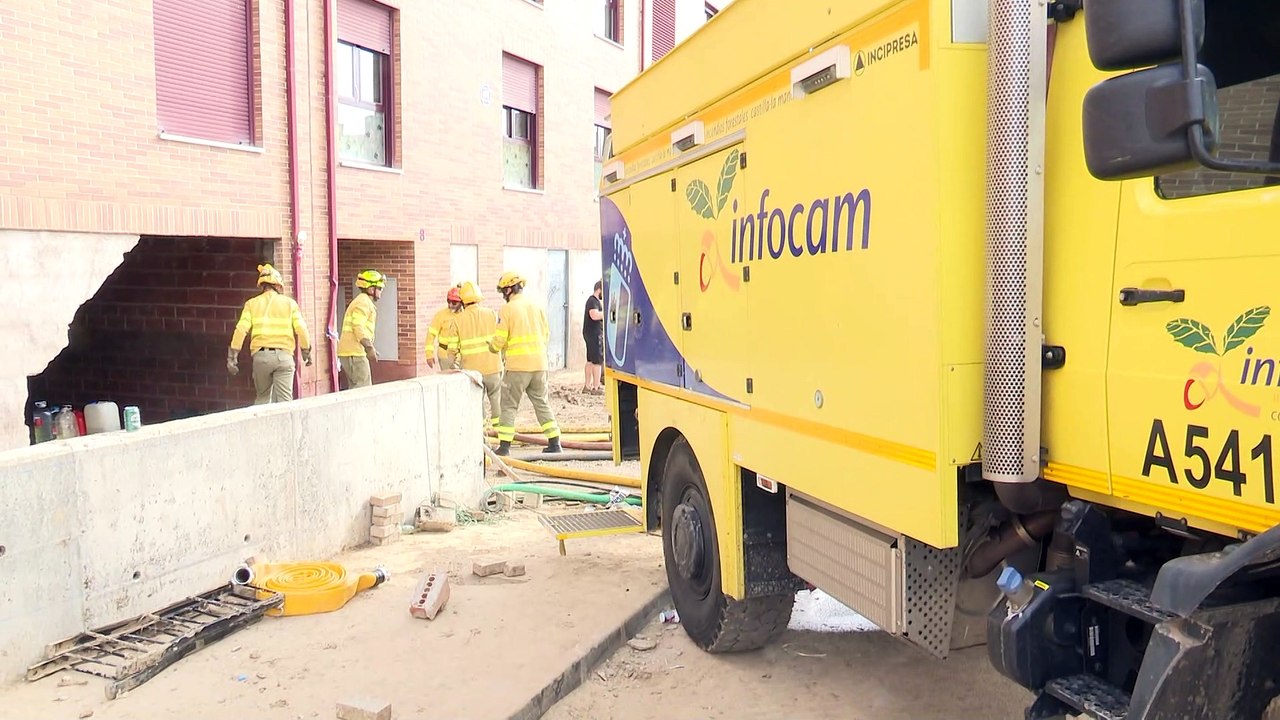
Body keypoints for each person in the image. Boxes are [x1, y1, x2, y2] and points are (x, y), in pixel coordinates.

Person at [489, 271, 562, 455]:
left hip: (517, 368)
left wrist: (492, 348)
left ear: (508, 290)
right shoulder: (536, 306)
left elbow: (500, 339)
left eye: (503, 292)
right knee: (542, 403)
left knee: (509, 405)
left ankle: (504, 447)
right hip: (539, 365)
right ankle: (555, 443)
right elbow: (546, 334)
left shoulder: (507, 309)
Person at [227, 263, 312, 404]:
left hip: (261, 358)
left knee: (263, 398)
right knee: (285, 401)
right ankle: (286, 425)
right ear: (278, 285)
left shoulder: (251, 304)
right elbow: (302, 329)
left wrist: (233, 355)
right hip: (284, 357)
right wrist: (306, 351)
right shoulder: (290, 304)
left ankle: (262, 425)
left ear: (261, 285)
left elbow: (241, 330)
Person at [442, 281, 503, 429]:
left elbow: (451, 350)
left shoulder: (457, 320)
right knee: (496, 401)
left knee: (477, 404)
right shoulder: (492, 314)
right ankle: (501, 436)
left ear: (462, 301)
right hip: (494, 368)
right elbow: (502, 338)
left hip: (472, 373)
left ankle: (480, 437)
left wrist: (450, 366)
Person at [337, 269, 384, 389]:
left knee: (356, 390)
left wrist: (370, 347)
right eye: (379, 288)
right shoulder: (363, 302)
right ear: (371, 289)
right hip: (355, 353)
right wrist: (369, 348)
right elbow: (358, 327)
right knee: (364, 389)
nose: (381, 291)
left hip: (352, 352)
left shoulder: (362, 301)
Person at [425, 284, 463, 368]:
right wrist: (429, 355)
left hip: (462, 356)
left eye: (454, 302)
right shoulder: (441, 315)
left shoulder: (465, 316)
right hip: (445, 356)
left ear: (461, 302)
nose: (450, 305)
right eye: (448, 301)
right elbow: (431, 334)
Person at [582, 280, 605, 393]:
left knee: (590, 360)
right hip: (594, 334)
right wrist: (607, 313)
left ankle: (587, 386)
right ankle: (596, 387)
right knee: (597, 361)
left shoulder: (592, 301)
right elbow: (594, 315)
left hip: (590, 334)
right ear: (599, 289)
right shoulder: (593, 301)